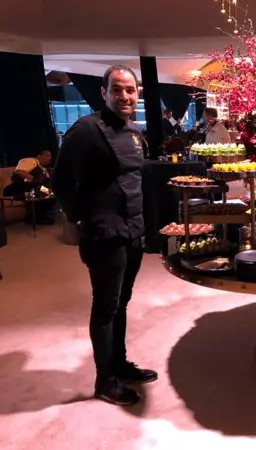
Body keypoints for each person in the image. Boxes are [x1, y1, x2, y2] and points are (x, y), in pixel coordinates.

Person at [52, 65, 157, 406]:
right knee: (106, 307)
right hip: (104, 235)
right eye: (116, 89)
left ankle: (119, 364)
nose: (124, 96)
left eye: (130, 90)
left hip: (133, 232)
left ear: (137, 94)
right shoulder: (85, 130)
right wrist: (81, 218)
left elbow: (133, 181)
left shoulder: (134, 132)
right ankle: (105, 381)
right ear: (103, 92)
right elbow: (61, 182)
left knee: (121, 303)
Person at [3, 150, 56, 224]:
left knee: (52, 194)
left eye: (50, 156)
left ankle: (39, 217)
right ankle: (32, 217)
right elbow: (19, 172)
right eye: (47, 156)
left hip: (33, 188)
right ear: (38, 156)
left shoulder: (44, 169)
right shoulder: (32, 161)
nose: (50, 158)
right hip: (15, 188)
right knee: (41, 192)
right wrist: (34, 180)